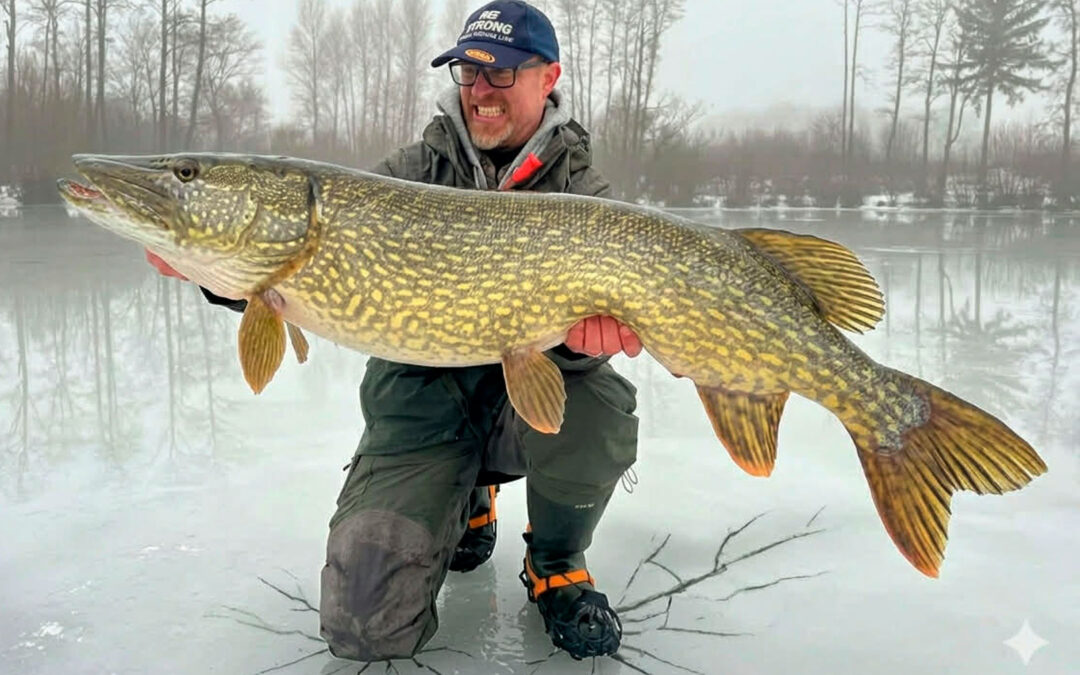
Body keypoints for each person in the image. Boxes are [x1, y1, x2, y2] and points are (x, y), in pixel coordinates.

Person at [147, 0, 641, 662]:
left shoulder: (584, 192)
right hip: (421, 411)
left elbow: (594, 344)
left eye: (501, 75)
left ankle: (556, 561)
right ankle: (469, 499)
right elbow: (287, 267)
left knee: (600, 410)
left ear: (547, 78)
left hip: (526, 410)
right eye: (469, 74)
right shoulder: (410, 172)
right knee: (364, 625)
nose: (480, 93)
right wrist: (217, 273)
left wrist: (585, 346)